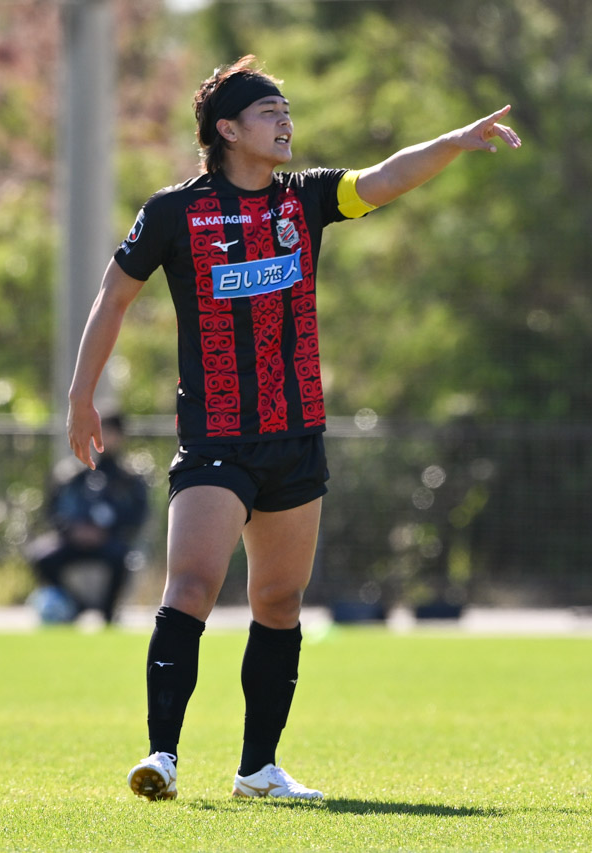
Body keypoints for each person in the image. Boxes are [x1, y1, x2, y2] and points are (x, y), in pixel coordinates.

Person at [64, 55, 521, 802]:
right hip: (216, 439)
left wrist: (453, 141)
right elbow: (113, 298)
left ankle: (258, 770)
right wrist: (82, 395)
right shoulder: (176, 212)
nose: (286, 122)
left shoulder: (305, 200)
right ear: (228, 129)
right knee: (191, 586)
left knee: (278, 603)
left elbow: (384, 177)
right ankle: (162, 756)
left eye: (287, 111)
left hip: (296, 435)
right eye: (270, 112)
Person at [26, 414, 148, 626]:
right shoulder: (72, 475)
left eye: (110, 433)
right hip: (72, 540)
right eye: (100, 433)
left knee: (122, 558)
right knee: (41, 556)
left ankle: (108, 614)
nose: (105, 439)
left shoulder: (129, 479)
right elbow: (53, 510)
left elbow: (137, 516)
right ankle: (75, 605)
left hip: (109, 541)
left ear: (121, 436)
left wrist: (106, 532)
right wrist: (72, 530)